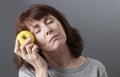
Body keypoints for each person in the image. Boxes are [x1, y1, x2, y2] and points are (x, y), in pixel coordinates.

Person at [14, 4, 108, 77]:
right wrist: (41, 69)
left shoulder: (96, 68)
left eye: (49, 22)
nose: (48, 30)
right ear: (32, 42)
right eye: (37, 31)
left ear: (62, 24)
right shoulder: (28, 73)